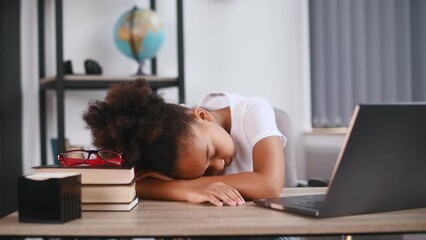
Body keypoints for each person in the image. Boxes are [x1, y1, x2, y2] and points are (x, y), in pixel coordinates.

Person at [83, 79, 287, 207]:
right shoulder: (162, 139)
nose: (219, 165)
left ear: (202, 115)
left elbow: (269, 185)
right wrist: (187, 191)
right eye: (205, 171)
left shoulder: (253, 111)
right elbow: (127, 181)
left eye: (211, 152)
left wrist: (185, 185)